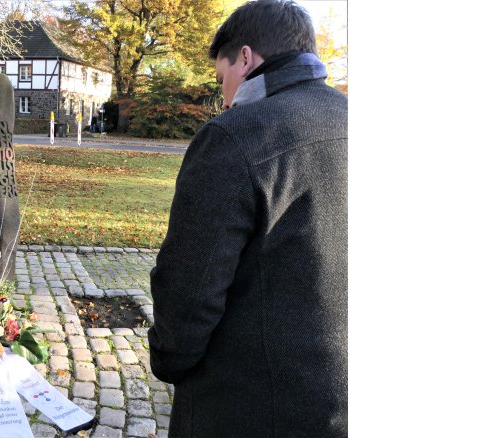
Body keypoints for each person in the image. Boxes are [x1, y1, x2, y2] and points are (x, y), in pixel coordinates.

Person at [147, 0, 348, 436]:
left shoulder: (236, 134)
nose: (224, 94)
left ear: (245, 57)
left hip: (248, 404)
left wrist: (169, 360)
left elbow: (190, 286)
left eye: (223, 79)